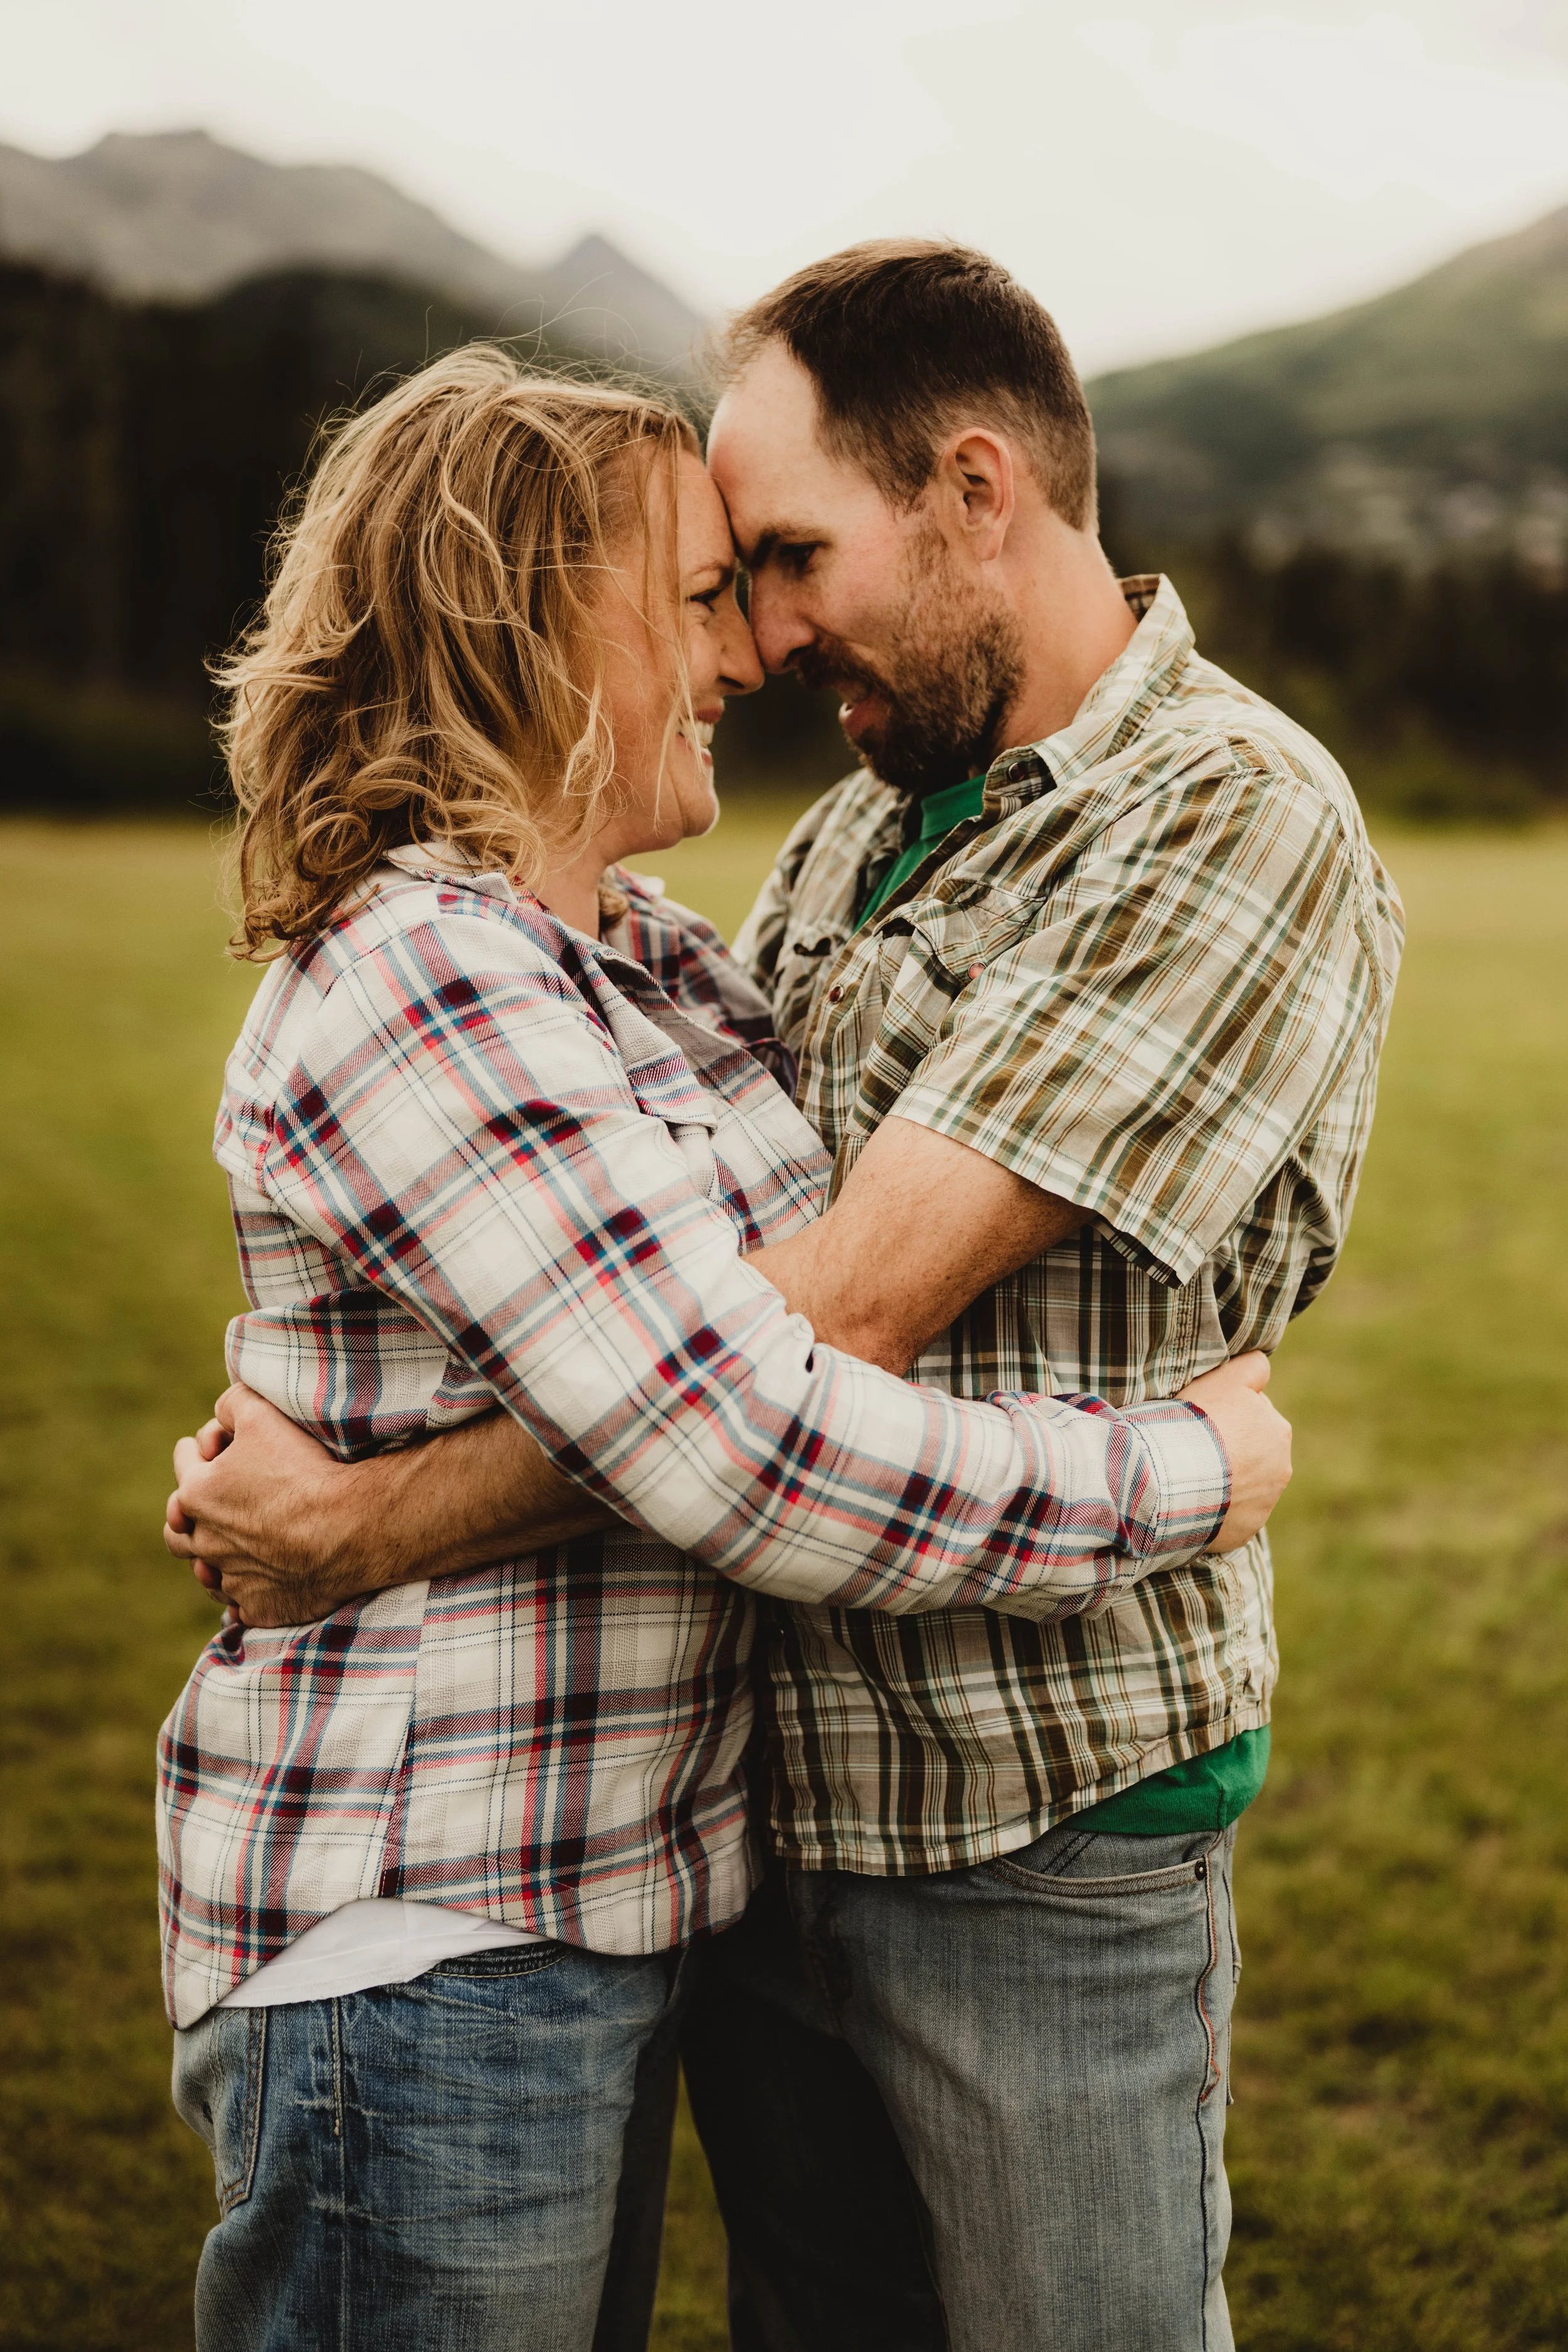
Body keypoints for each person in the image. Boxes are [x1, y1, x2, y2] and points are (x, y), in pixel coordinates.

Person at [159, 341, 1290, 2352]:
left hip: (619, 1909)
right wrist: (1183, 1474)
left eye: (768, 569)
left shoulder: (656, 963)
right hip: (436, 1923)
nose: (749, 646)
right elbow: (746, 1433)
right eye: (699, 589)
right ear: (524, 618)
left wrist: (371, 1517)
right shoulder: (436, 970)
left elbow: (752, 1327)